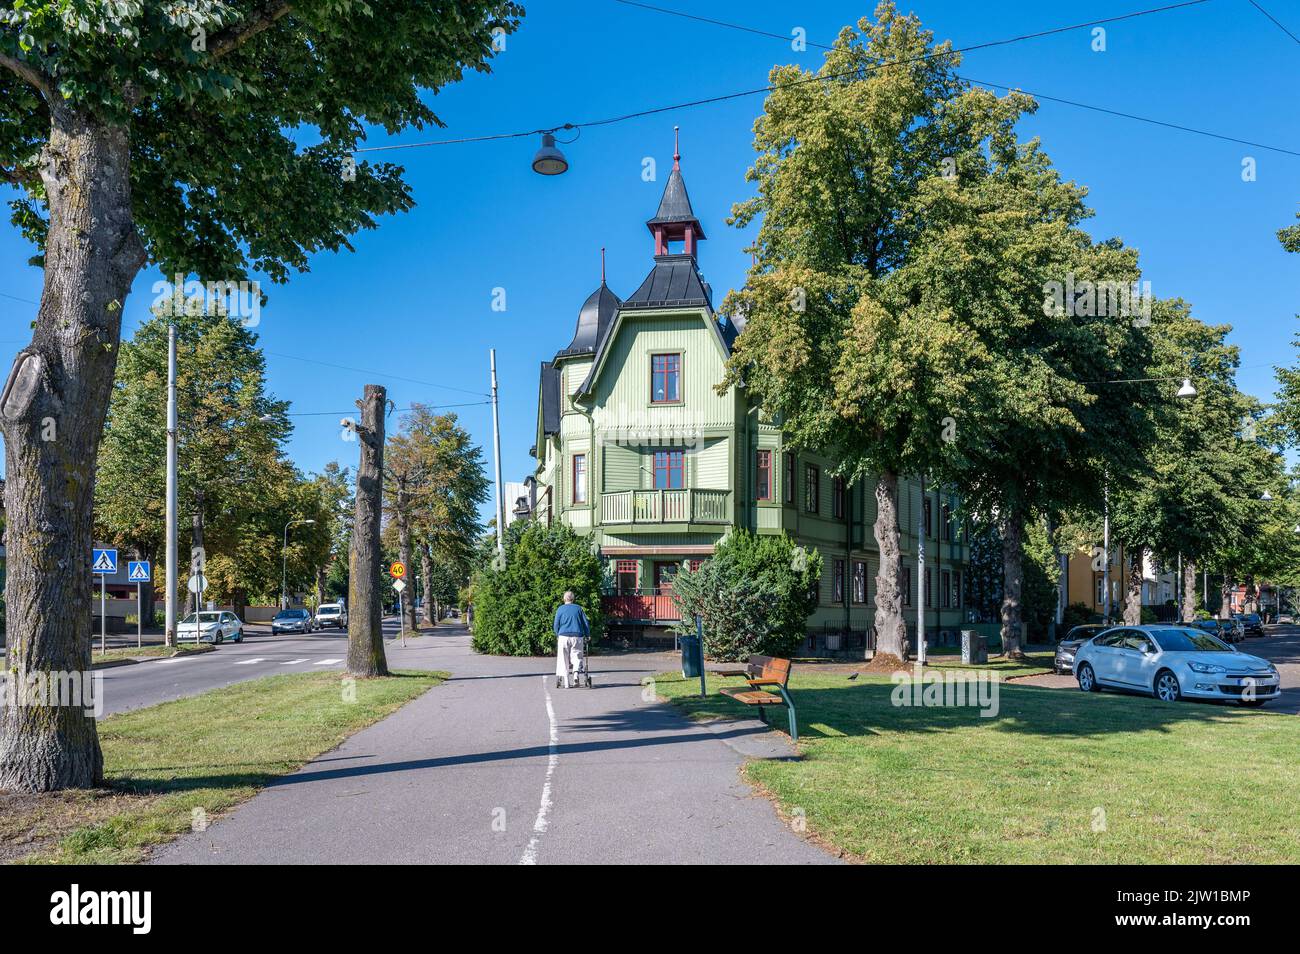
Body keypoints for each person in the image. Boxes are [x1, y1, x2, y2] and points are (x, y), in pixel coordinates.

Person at [553, 590, 590, 688]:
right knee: (577, 656)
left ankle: (566, 682)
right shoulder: (578, 608)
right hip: (577, 635)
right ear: (573, 599)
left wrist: (557, 634)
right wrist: (587, 634)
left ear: (564, 599)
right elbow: (585, 623)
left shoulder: (560, 609)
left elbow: (556, 624)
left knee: (563, 658)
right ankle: (576, 675)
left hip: (563, 636)